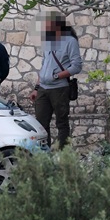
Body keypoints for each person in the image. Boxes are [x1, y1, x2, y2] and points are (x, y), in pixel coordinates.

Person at [29, 13, 82, 150]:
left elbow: (76, 66)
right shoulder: (48, 41)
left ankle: (63, 153)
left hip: (59, 88)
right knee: (40, 124)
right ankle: (44, 154)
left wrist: (57, 76)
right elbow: (44, 66)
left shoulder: (70, 41)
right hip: (43, 89)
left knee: (62, 123)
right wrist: (36, 88)